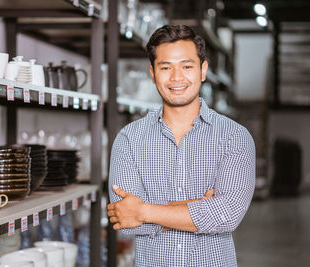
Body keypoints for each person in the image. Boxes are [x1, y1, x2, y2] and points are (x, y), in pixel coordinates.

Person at [107, 24, 255, 267]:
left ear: (203, 70)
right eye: (166, 68)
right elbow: (124, 219)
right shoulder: (129, 139)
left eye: (187, 66)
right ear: (153, 73)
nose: (177, 78)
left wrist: (143, 211)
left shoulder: (234, 137)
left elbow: (227, 215)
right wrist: (200, 208)